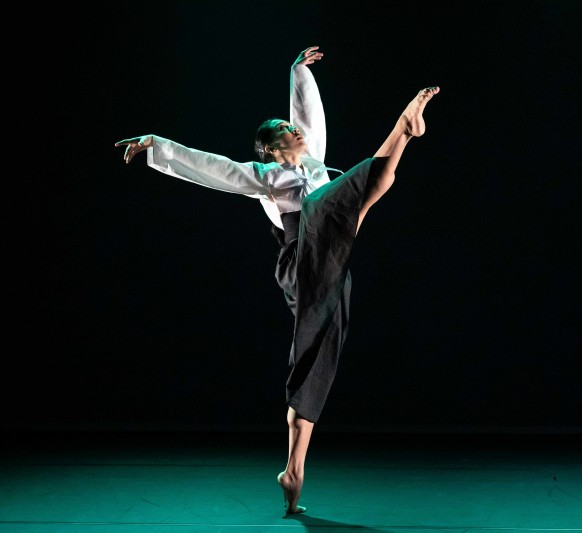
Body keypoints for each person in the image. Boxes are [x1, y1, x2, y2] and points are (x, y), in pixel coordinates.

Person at [115, 46, 438, 515]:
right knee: (333, 199)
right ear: (269, 148)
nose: (297, 131)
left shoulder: (315, 164)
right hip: (301, 257)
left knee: (314, 359)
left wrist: (298, 73)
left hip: (331, 261)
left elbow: (308, 120)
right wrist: (156, 144)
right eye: (286, 130)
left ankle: (293, 470)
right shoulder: (266, 175)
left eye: (293, 127)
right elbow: (211, 167)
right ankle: (403, 130)